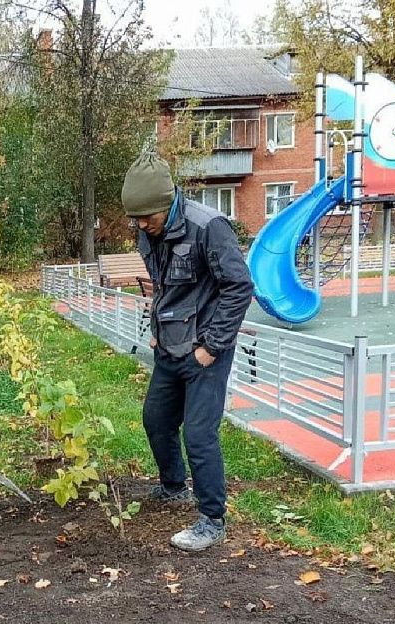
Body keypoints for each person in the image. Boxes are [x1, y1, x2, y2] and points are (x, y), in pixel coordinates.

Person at [121, 155, 253, 551]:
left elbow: (239, 287)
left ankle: (212, 519)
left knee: (198, 433)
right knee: (156, 420)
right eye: (136, 218)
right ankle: (173, 486)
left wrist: (211, 347)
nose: (141, 225)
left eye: (147, 216)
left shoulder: (208, 227)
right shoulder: (149, 229)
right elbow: (163, 285)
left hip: (204, 350)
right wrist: (157, 331)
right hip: (169, 345)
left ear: (169, 201)